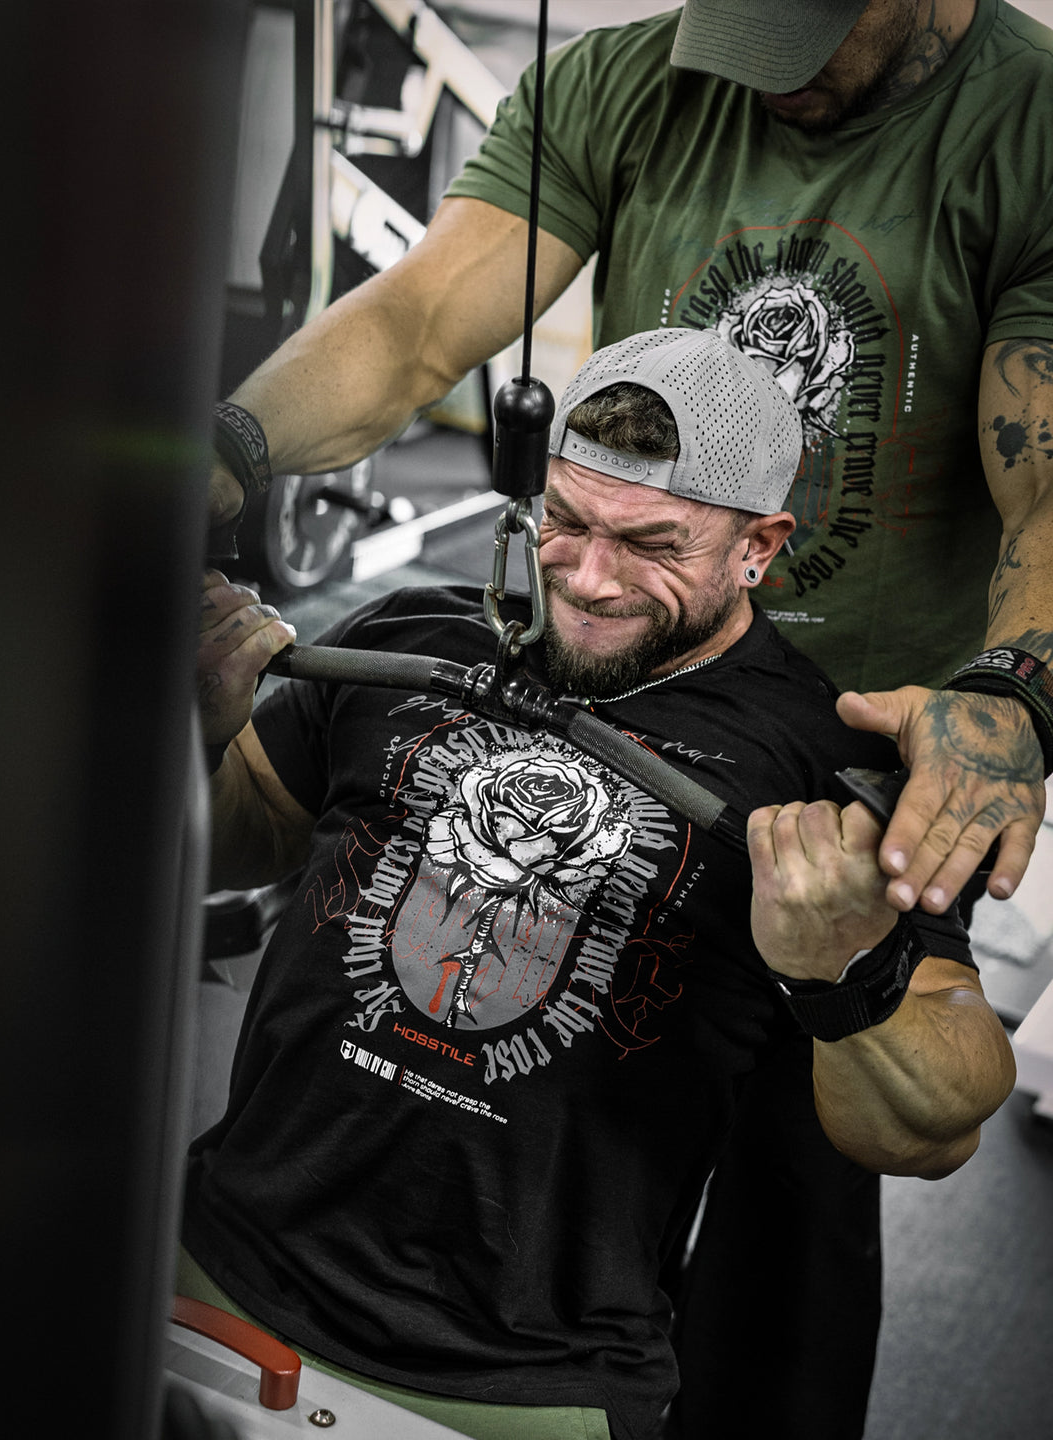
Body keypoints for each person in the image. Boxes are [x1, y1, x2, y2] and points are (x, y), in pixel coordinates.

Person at [201, 3, 1053, 1431]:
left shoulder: (1024, 130)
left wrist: (1014, 693)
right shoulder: (629, 79)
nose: (762, 81)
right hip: (573, 686)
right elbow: (416, 328)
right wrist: (213, 460)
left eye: (807, 40)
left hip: (830, 759)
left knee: (792, 1202)